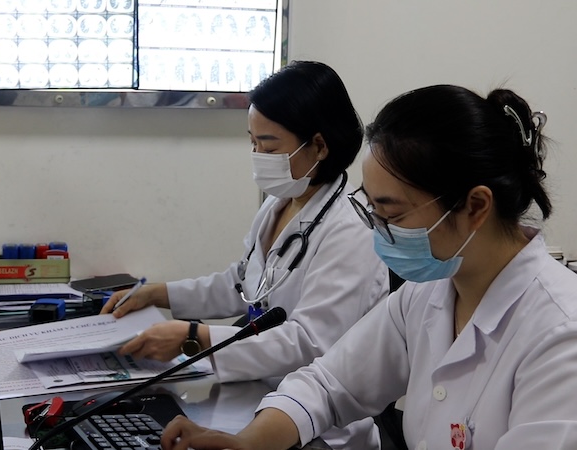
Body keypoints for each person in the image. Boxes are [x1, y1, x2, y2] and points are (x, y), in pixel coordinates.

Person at [160, 84, 577, 450]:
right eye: (370, 207)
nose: (377, 231)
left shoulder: (560, 336)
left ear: (476, 206)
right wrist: (249, 441)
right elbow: (328, 384)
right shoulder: (429, 293)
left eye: (391, 214)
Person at [102, 61, 390, 449]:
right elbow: (242, 283)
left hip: (321, 430)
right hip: (253, 398)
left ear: (319, 145)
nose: (257, 155)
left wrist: (195, 337)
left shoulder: (350, 229)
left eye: (269, 146)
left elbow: (308, 343)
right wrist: (159, 294)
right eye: (252, 143)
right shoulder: (279, 204)